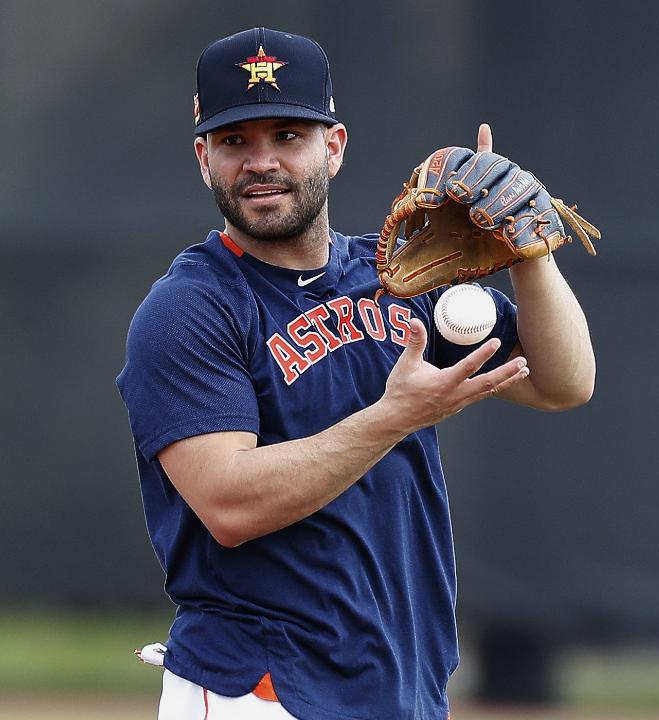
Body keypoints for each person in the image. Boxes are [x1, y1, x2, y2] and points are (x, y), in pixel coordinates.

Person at [116, 28, 594, 720]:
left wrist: (528, 253)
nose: (261, 162)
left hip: (398, 681)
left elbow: (563, 381)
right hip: (260, 690)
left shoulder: (400, 277)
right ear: (204, 158)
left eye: (287, 135)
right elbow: (230, 503)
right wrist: (395, 415)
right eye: (234, 142)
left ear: (333, 147)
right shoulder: (191, 308)